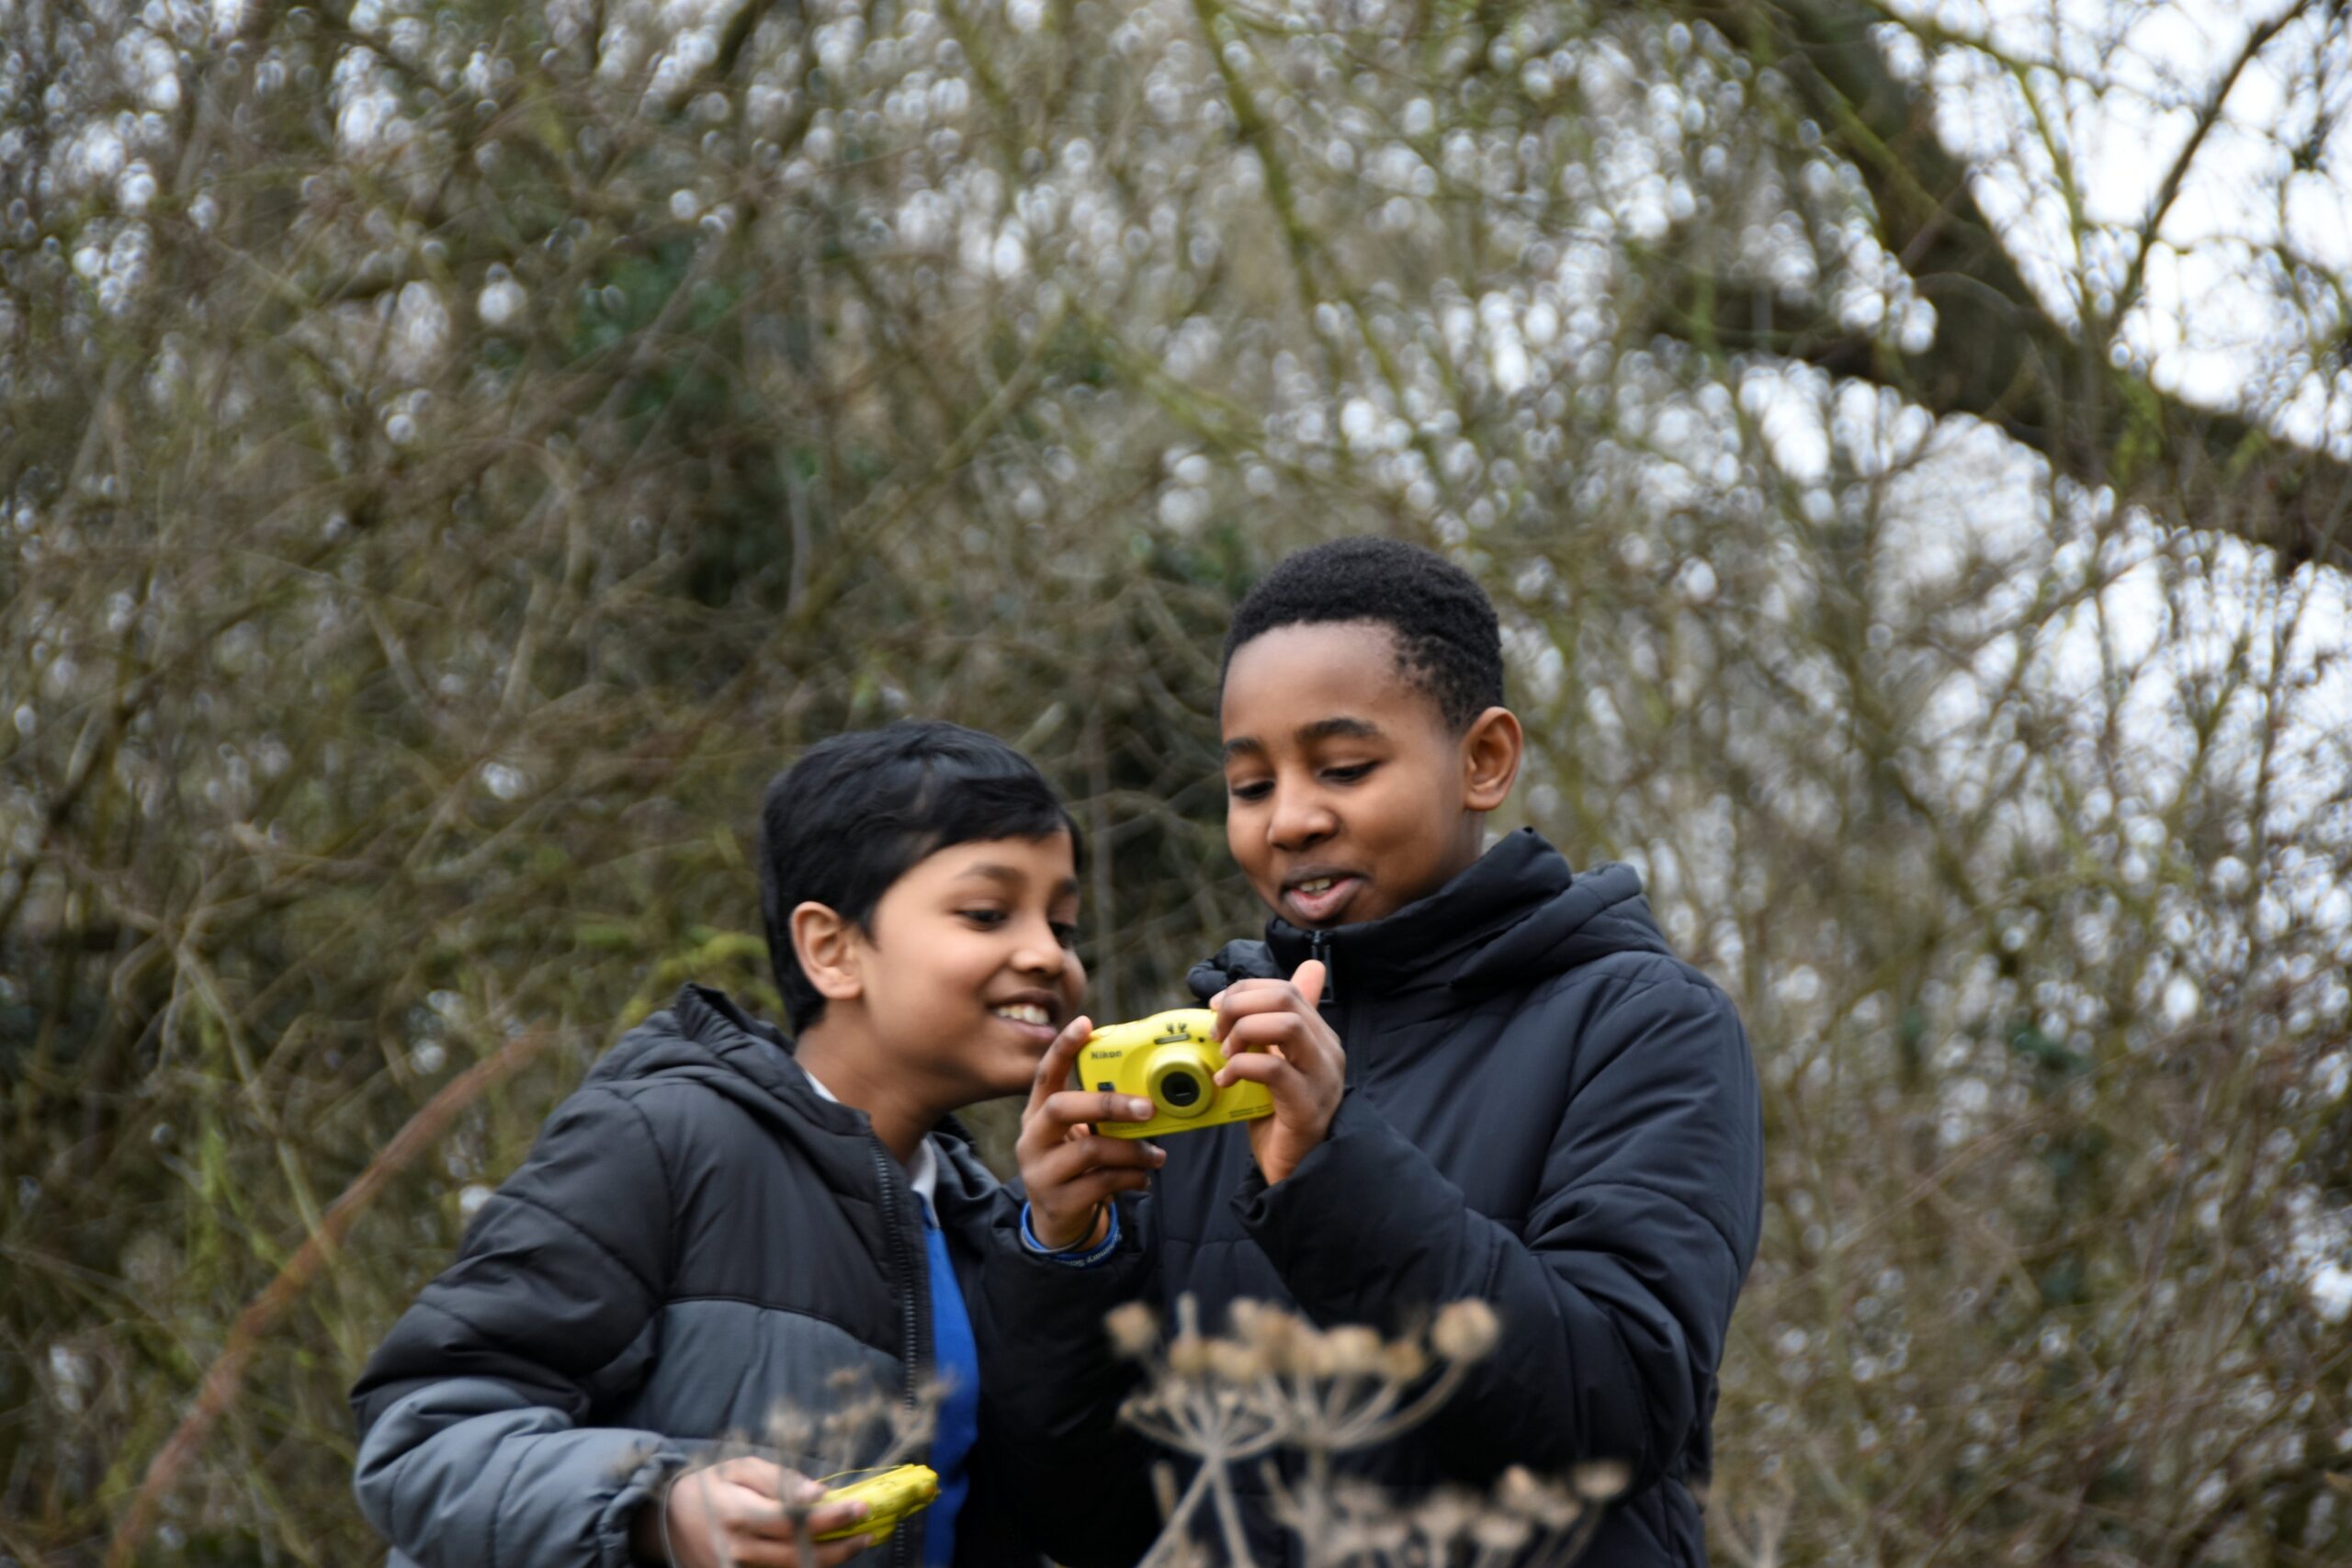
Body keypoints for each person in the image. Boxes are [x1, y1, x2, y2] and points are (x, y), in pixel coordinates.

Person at [996, 537, 1765, 1567]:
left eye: (1344, 768)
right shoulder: (1208, 1065)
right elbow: (1093, 1515)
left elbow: (1612, 1412)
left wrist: (1328, 1165)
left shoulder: (1641, 1024)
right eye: (1249, 784)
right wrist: (1062, 1251)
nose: (1293, 820)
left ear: (1483, 761)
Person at [349, 721, 1147, 1568]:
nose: (1047, 955)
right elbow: (424, 1435)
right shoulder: (664, 1139)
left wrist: (1063, 1257)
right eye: (988, 912)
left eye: (1063, 925)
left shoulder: (999, 1226)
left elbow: (1080, 1518)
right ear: (831, 949)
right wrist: (660, 1507)